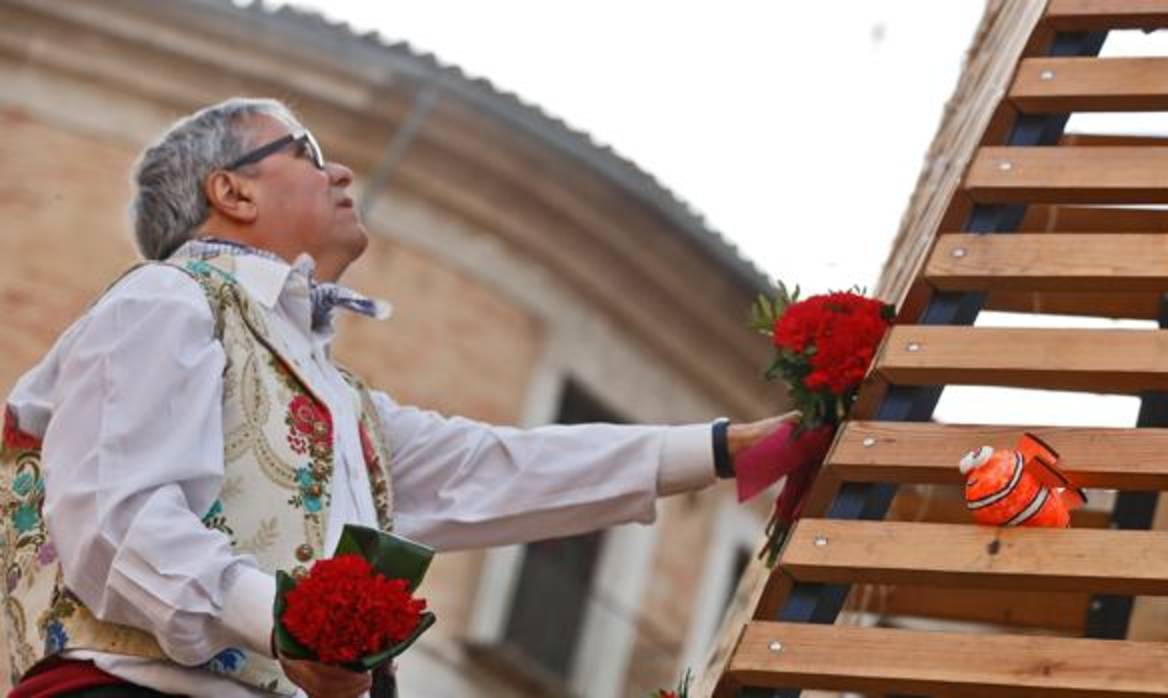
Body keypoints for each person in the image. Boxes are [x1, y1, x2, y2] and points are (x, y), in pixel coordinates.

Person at [0, 98, 792, 698]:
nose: (341, 172)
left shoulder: (342, 402)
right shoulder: (164, 302)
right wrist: (285, 623)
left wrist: (726, 450)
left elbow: (496, 469)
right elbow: (118, 517)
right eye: (308, 153)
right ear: (231, 193)